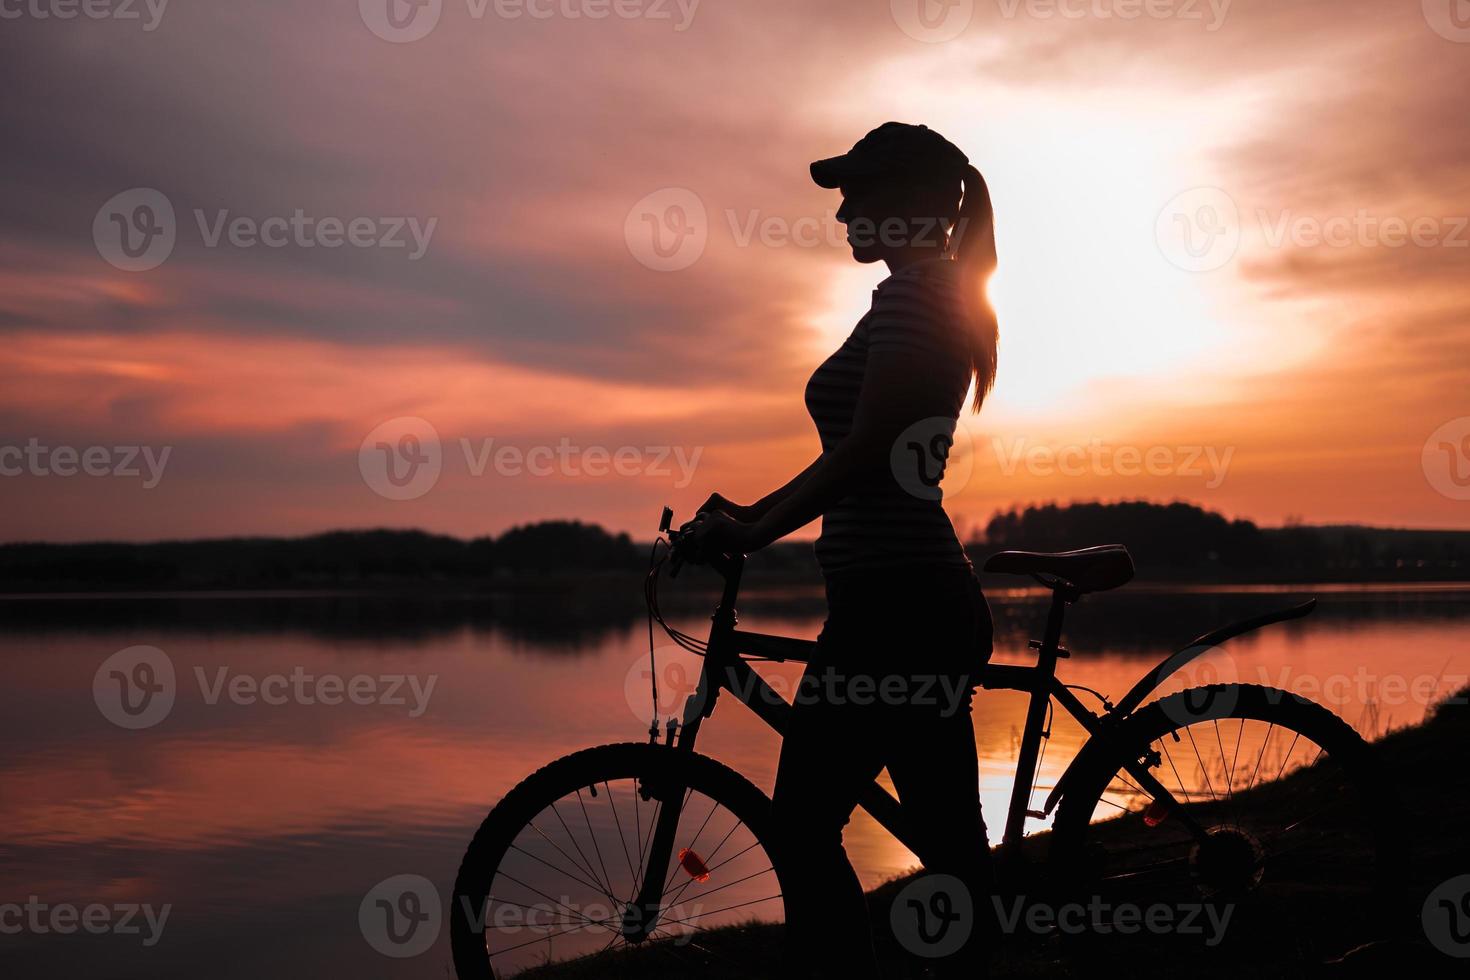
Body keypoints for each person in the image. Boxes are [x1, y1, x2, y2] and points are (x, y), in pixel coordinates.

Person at [684, 121, 1001, 978]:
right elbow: (859, 456)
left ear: (910, 203)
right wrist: (756, 510)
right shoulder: (935, 294)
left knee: (801, 828)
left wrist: (753, 530)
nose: (844, 214)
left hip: (895, 607)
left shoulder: (914, 297)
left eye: (859, 194)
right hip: (911, 599)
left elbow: (865, 455)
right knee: (952, 850)